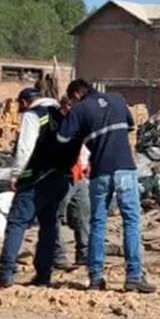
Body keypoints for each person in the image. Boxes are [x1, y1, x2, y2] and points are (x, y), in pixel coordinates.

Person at [57, 79, 156, 293]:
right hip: (126, 169)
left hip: (100, 171)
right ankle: (134, 277)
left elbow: (62, 138)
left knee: (98, 223)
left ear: (75, 95)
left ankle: (95, 278)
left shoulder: (80, 109)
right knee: (131, 221)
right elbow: (130, 126)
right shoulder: (118, 99)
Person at [0, 88, 78, 288]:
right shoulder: (63, 114)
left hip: (36, 178)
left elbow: (25, 148)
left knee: (17, 223)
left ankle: (6, 273)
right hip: (60, 178)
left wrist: (16, 175)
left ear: (24, 103)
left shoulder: (33, 116)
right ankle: (43, 275)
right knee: (49, 225)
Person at [56, 96, 92, 265]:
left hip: (79, 176)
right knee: (55, 216)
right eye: (69, 105)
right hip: (61, 176)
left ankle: (84, 254)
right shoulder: (57, 125)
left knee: (82, 215)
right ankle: (57, 255)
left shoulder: (81, 125)